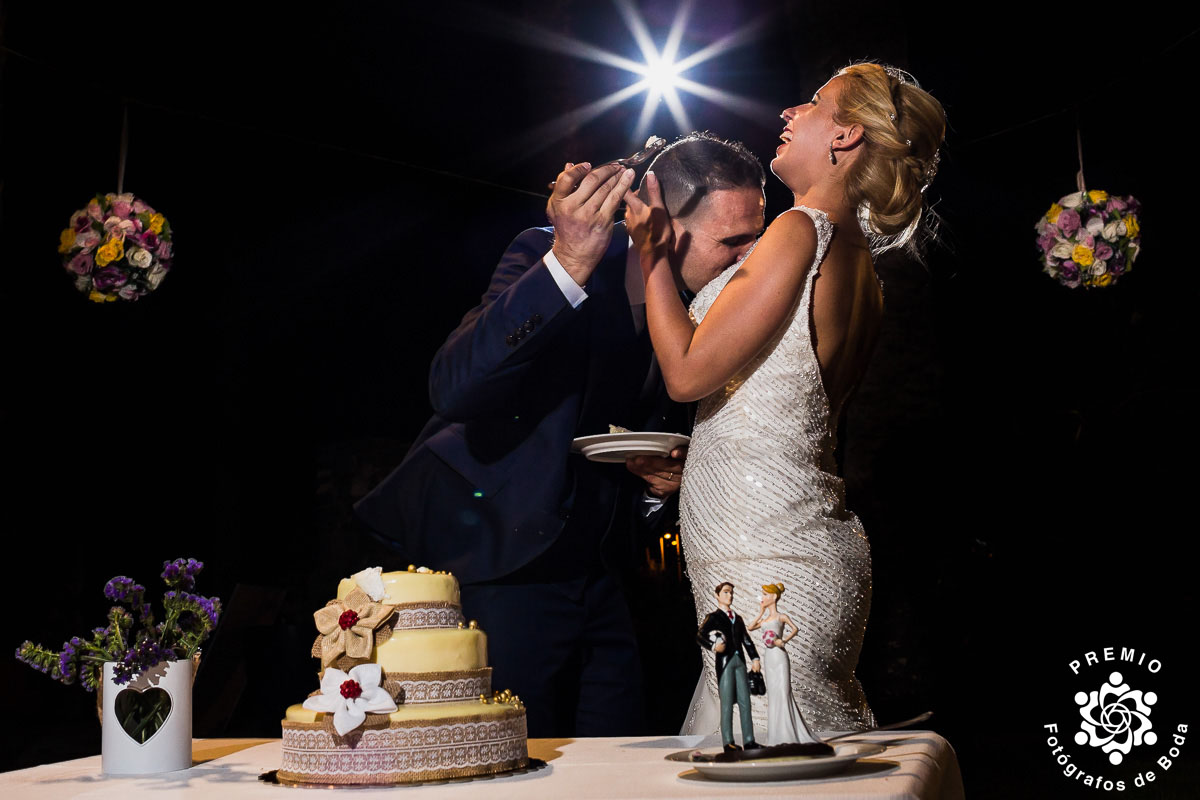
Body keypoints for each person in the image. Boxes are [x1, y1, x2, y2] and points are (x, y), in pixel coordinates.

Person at [354, 132, 766, 737]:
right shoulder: (546, 254)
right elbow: (454, 388)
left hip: (601, 575)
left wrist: (657, 482)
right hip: (499, 564)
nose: (749, 258)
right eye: (733, 241)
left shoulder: (696, 312)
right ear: (664, 227)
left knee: (618, 749)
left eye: (755, 238)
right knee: (508, 759)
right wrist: (568, 265)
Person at [625, 62, 946, 736]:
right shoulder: (860, 265)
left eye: (815, 103)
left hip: (764, 550)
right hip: (788, 534)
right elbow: (785, 409)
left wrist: (652, 250)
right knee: (789, 748)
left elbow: (685, 375)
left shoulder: (800, 232)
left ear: (846, 135)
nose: (789, 113)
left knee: (769, 754)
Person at [746, 583, 821, 746]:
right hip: (769, 657)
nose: (763, 598)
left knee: (783, 691)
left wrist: (784, 640)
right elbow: (750, 627)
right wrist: (761, 612)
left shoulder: (781, 617)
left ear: (773, 597)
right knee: (773, 694)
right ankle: (777, 735)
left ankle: (790, 733)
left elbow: (795, 628)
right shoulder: (765, 619)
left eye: (765, 595)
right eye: (763, 594)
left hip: (780, 656)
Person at [696, 582, 761, 752]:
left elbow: (746, 640)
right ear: (717, 595)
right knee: (726, 702)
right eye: (725, 592)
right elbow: (700, 635)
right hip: (725, 663)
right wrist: (712, 646)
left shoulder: (737, 618)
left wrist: (754, 657)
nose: (729, 596)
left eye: (731, 592)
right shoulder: (713, 617)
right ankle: (728, 742)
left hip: (740, 662)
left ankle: (749, 740)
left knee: (745, 701)